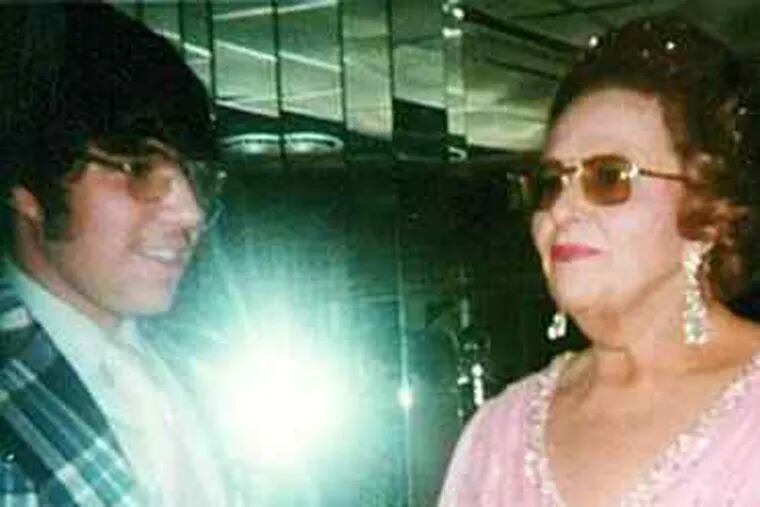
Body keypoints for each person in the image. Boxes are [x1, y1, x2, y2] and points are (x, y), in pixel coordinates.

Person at [438, 13, 760, 507]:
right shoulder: (497, 434)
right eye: (550, 183)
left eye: (608, 176)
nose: (561, 209)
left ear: (708, 210)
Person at [0, 3, 230, 505]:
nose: (190, 212)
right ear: (27, 186)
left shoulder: (199, 370)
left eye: (197, 177)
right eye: (138, 168)